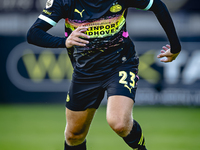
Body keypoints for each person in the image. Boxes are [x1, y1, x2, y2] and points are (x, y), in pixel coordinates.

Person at [27, 0, 181, 149]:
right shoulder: (64, 2)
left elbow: (157, 5)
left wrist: (175, 46)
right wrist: (65, 41)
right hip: (85, 71)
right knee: (74, 135)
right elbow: (33, 33)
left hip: (120, 63)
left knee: (119, 123)